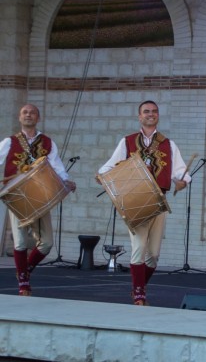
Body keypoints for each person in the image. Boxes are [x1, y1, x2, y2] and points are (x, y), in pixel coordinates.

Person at [98, 100, 190, 306]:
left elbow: (180, 171)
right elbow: (109, 166)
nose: (151, 114)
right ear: (139, 116)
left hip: (159, 201)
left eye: (154, 111)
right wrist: (103, 176)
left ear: (158, 116)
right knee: (139, 247)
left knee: (154, 255)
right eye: (146, 112)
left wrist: (182, 181)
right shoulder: (127, 142)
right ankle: (139, 295)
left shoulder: (168, 144)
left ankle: (138, 287)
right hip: (135, 201)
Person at [0, 104, 76, 296]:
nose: (28, 115)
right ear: (19, 117)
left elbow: (57, 166)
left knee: (47, 243)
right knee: (20, 242)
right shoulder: (9, 142)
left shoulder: (48, 142)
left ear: (38, 118)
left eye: (32, 112)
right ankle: (23, 284)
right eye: (25, 112)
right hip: (17, 196)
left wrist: (66, 181)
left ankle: (25, 270)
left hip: (40, 197)